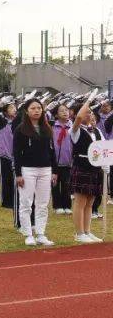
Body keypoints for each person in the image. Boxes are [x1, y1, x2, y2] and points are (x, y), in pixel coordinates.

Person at [14, 97, 56, 246]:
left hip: (45, 169)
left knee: (43, 203)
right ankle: (28, 234)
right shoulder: (21, 130)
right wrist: (18, 174)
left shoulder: (47, 128)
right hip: (27, 170)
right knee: (26, 202)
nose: (36, 110)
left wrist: (54, 171)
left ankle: (40, 233)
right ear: (26, 111)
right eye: (33, 108)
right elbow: (17, 153)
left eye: (39, 108)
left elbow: (52, 151)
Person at [69, 92, 104, 243]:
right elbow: (78, 118)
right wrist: (89, 100)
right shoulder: (75, 130)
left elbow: (103, 148)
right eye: (87, 112)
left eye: (91, 112)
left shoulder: (96, 131)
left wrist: (106, 163)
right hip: (82, 166)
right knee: (80, 201)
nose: (89, 114)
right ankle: (79, 233)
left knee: (90, 202)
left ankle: (87, 231)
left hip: (95, 168)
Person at [51, 104, 74, 215]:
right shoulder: (52, 127)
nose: (65, 112)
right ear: (56, 114)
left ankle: (67, 205)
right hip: (55, 162)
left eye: (66, 110)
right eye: (61, 111)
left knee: (66, 185)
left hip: (68, 161)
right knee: (55, 185)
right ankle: (57, 205)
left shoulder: (73, 126)